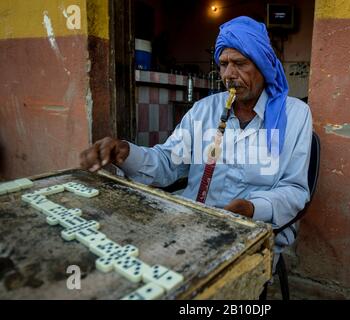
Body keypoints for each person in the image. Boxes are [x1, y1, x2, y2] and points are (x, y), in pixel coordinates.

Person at [79, 16, 312, 272]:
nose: (229, 75)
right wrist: (125, 152)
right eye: (223, 64)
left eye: (240, 64)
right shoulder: (204, 110)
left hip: (254, 230)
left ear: (264, 66)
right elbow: (168, 162)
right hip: (191, 221)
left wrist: (251, 209)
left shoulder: (295, 115)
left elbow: (294, 190)